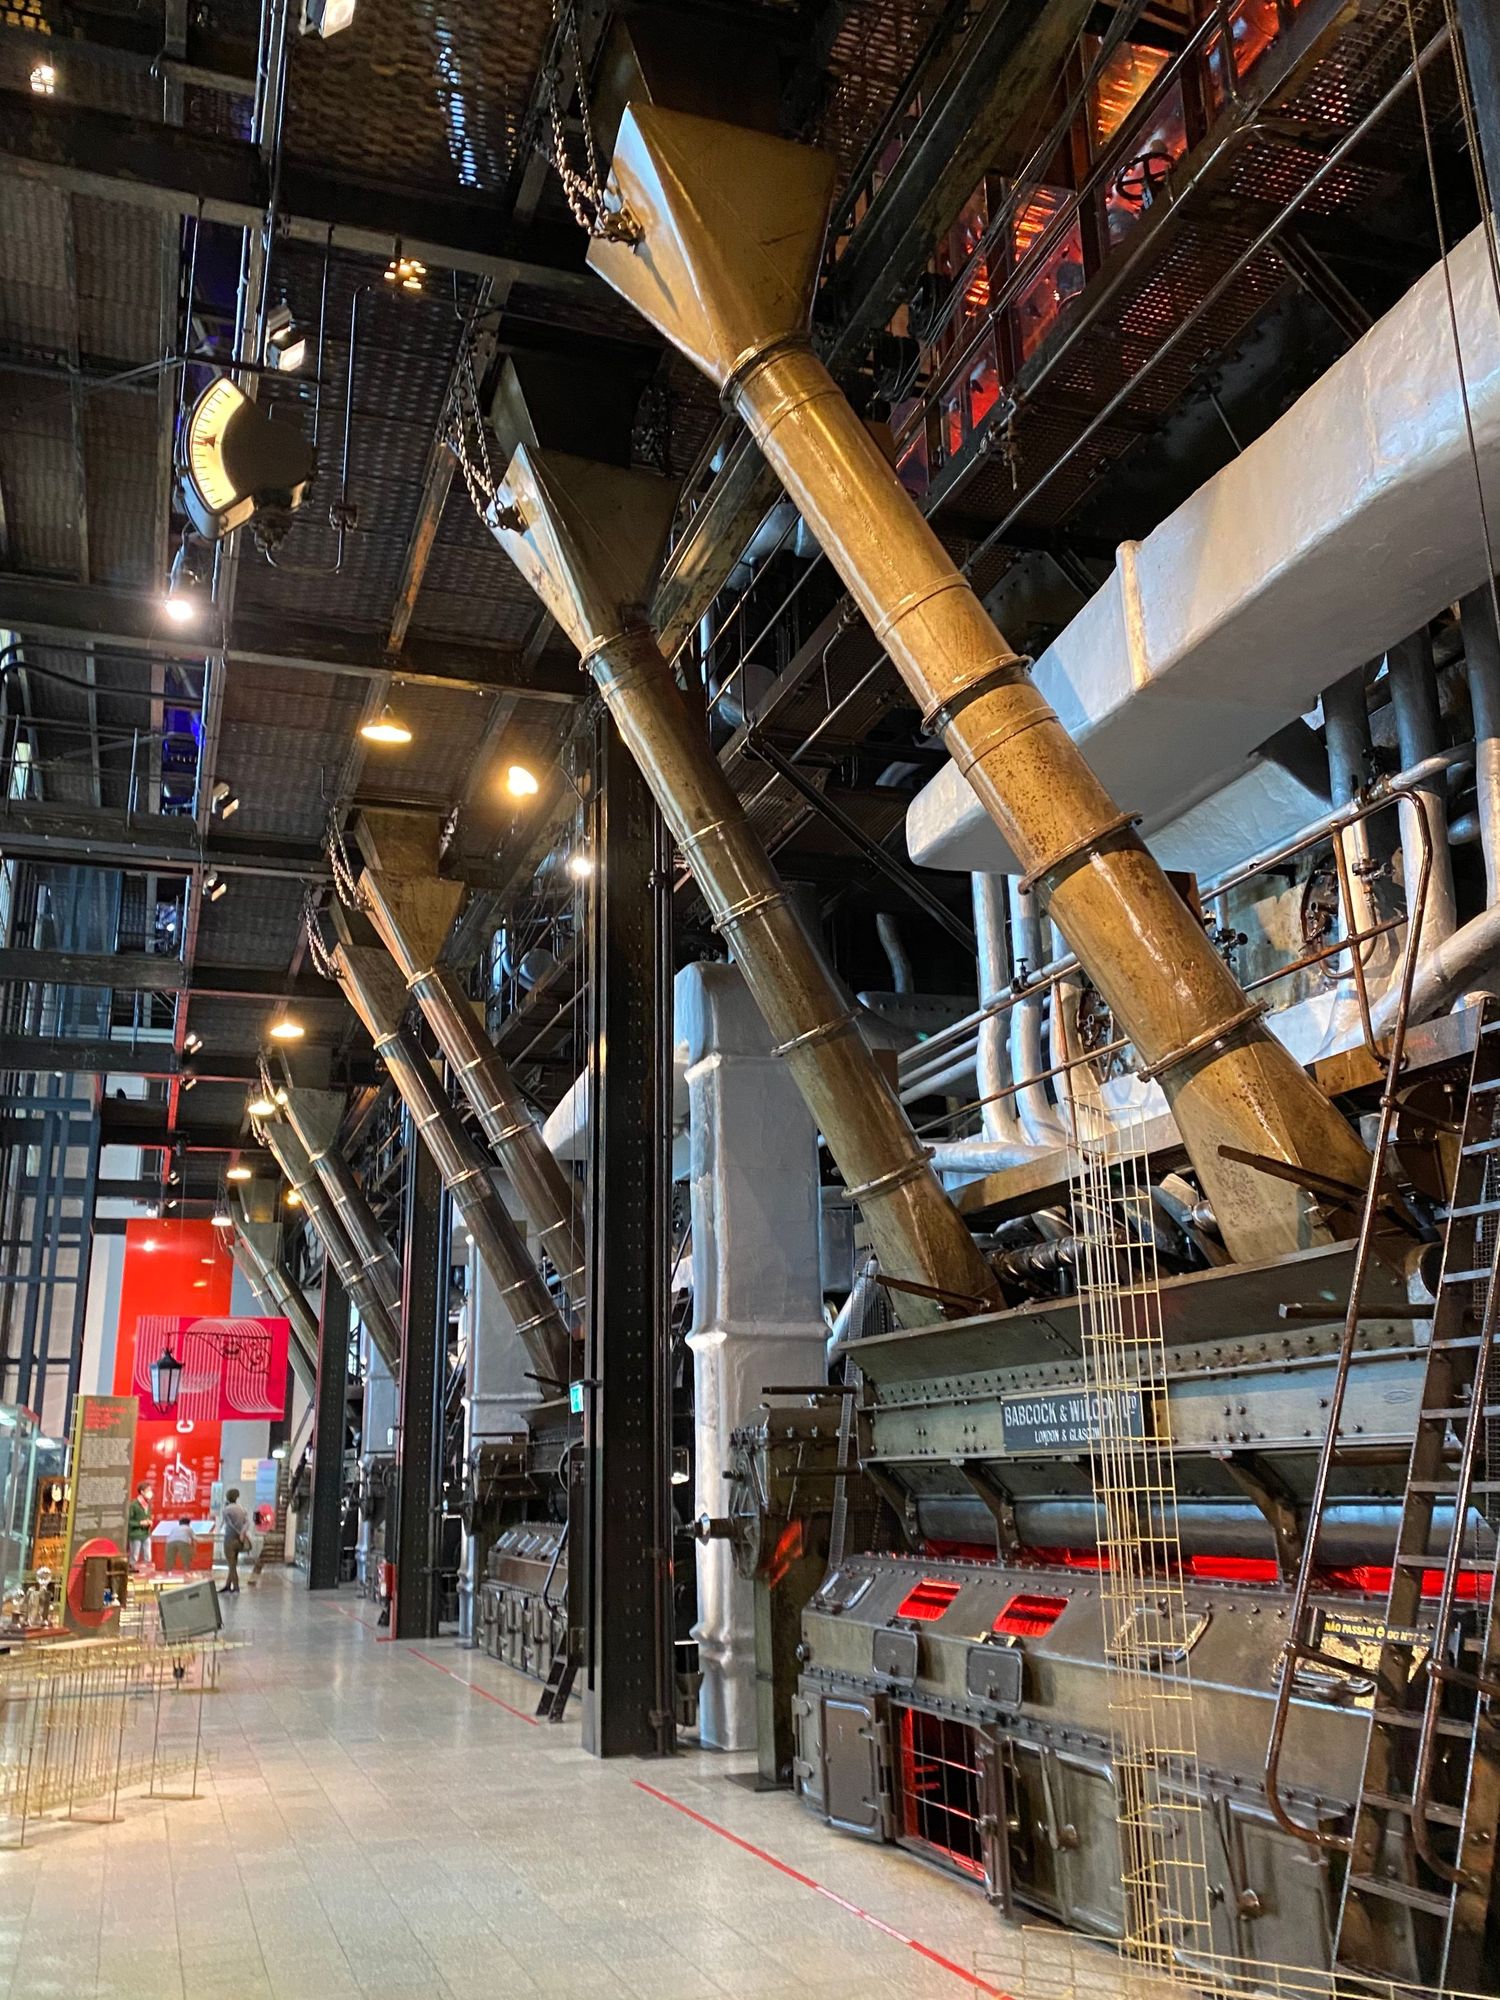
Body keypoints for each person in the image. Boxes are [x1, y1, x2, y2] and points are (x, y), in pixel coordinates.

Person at [220, 1487, 250, 1594]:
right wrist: (242, 1532)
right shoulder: (242, 1509)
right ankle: (228, 1585)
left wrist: (237, 1531)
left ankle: (236, 1586)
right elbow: (247, 1523)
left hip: (229, 1539)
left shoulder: (226, 1510)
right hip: (239, 1540)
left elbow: (229, 1524)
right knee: (233, 1563)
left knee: (231, 1565)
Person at [127, 1484, 153, 1569]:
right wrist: (140, 1523)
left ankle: (148, 1571)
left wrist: (149, 1521)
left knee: (148, 1556)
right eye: (148, 1490)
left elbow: (149, 1516)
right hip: (135, 1534)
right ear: (142, 1492)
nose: (150, 1492)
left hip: (146, 1534)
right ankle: (131, 1571)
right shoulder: (134, 1505)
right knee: (134, 1556)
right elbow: (128, 1521)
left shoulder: (148, 1504)